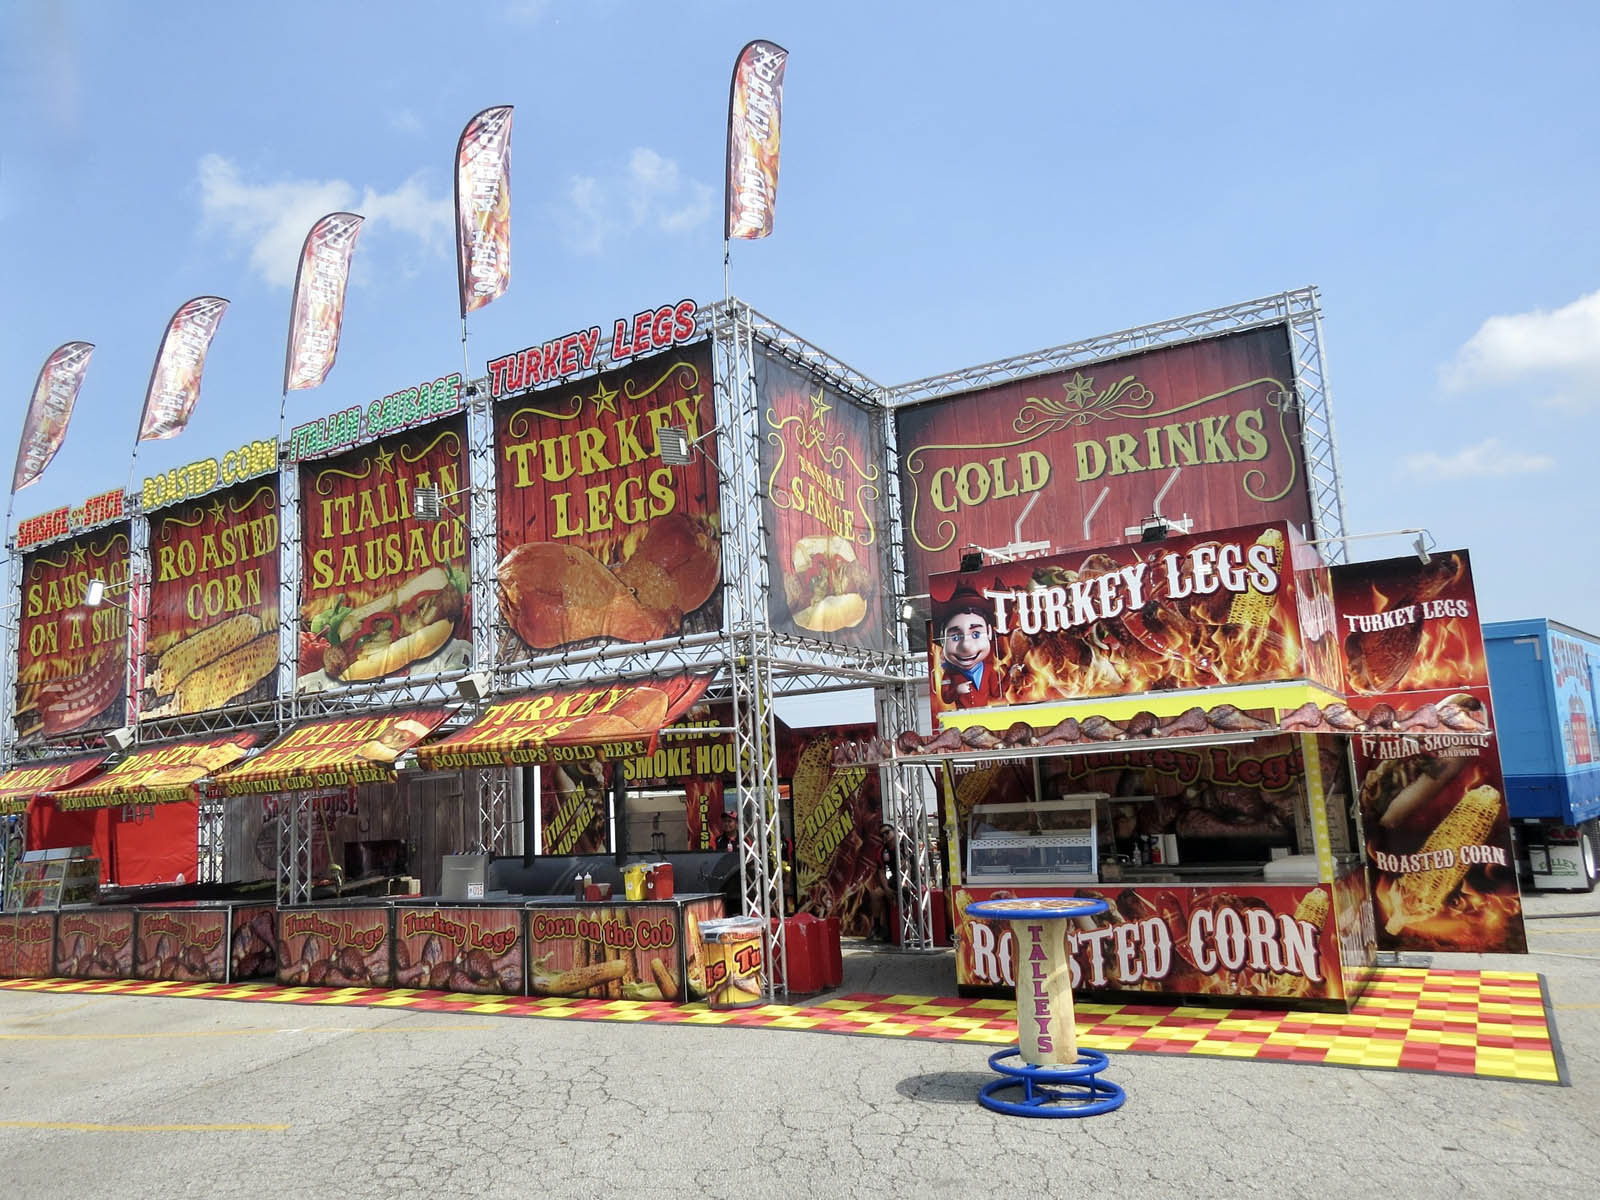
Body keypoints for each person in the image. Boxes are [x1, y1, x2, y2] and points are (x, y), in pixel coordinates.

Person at [937, 588, 1003, 709]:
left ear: (988, 632)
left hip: (985, 714)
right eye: (955, 637)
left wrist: (1009, 675)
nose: (966, 646)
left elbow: (996, 692)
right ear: (942, 638)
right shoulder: (949, 674)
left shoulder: (989, 670)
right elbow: (946, 697)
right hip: (962, 716)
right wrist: (956, 690)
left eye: (976, 634)